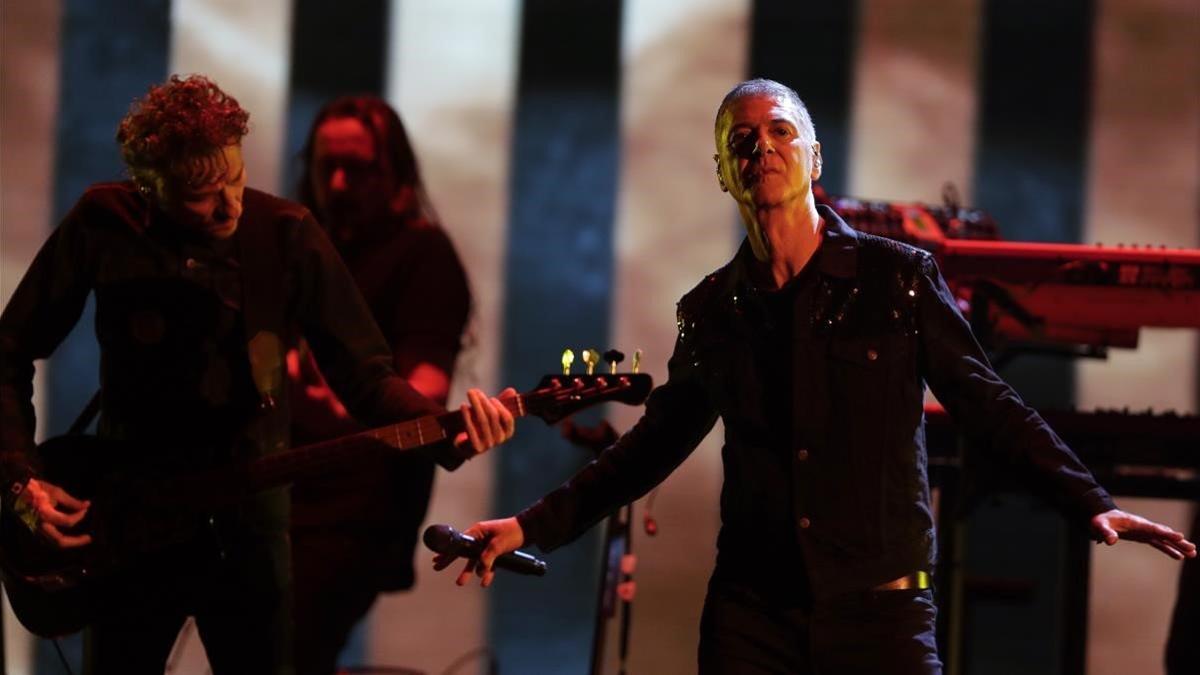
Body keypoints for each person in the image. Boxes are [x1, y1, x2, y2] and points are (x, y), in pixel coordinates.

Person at [435, 79, 1196, 674]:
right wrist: (528, 524)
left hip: (881, 614)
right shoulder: (713, 311)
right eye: (742, 138)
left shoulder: (896, 278)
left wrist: (1088, 498)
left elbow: (986, 400)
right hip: (753, 618)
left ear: (814, 158)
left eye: (779, 131)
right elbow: (650, 449)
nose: (761, 146)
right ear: (724, 172)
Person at [0, 74, 515, 675]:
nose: (229, 204)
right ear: (148, 184)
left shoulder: (287, 234)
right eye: (199, 192)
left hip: (247, 531)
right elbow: (7, 353)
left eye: (236, 178)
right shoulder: (103, 223)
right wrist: (20, 479)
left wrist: (444, 430)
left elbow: (368, 378)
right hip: (127, 521)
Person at [287, 95, 472, 675]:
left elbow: (421, 402)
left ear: (396, 174)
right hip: (274, 503)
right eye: (327, 167)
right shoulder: (297, 247)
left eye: (359, 168)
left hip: (351, 519)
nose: (339, 184)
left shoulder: (423, 256)